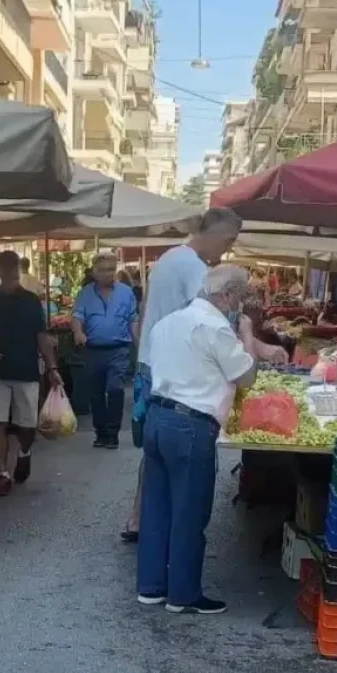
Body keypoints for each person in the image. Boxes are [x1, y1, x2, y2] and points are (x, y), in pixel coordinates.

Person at [137, 265, 257, 615]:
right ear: (227, 295)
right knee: (189, 513)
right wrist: (247, 334)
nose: (240, 305)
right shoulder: (214, 327)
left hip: (158, 417)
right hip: (190, 424)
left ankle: (151, 587)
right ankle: (183, 595)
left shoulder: (167, 323)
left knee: (157, 509)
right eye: (240, 297)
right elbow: (246, 376)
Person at [123, 208, 243, 542]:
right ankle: (159, 522)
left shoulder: (169, 258)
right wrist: (250, 346)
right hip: (169, 369)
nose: (227, 249)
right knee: (172, 447)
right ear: (216, 232)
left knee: (154, 447)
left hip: (152, 362)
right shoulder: (193, 267)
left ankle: (139, 517)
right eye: (229, 240)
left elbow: (147, 311)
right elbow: (210, 321)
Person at [0, 251, 62, 497]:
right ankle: (2, 474)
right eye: (6, 268)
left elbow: (42, 337)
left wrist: (52, 368)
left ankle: (24, 452)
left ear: (18, 270)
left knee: (26, 427)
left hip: (26, 372)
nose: (10, 272)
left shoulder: (31, 302)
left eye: (14, 268)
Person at [72, 252, 139, 449]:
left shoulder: (126, 292)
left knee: (115, 389)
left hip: (118, 350)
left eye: (111, 269)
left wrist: (139, 342)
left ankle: (112, 433)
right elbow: (77, 316)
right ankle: (100, 432)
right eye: (102, 270)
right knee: (96, 393)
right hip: (93, 350)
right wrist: (78, 332)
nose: (107, 274)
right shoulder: (85, 293)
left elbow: (132, 319)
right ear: (94, 272)